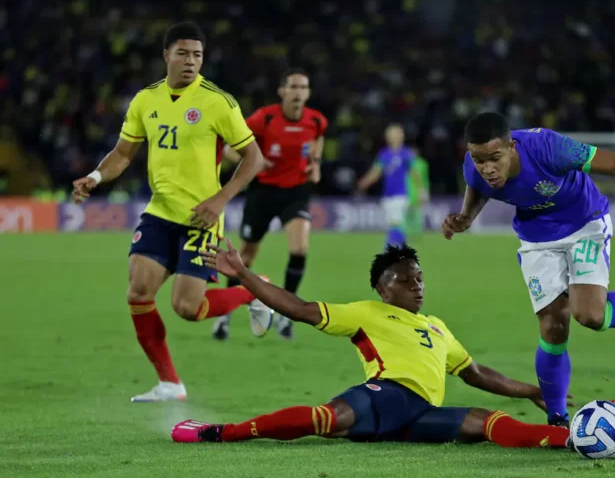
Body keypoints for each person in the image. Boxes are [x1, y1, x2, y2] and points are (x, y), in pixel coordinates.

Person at [442, 112, 615, 427]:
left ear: (512, 147)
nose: (487, 168)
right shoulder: (473, 167)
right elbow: (477, 189)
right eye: (479, 160)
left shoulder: (548, 148)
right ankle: (558, 421)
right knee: (552, 323)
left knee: (591, 316)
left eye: (494, 158)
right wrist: (466, 217)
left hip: (585, 222)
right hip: (536, 238)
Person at [171, 242, 573, 450]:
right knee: (328, 418)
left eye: (419, 278)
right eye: (405, 280)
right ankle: (223, 432)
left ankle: (569, 440)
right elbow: (300, 308)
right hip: (385, 395)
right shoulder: (365, 313)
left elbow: (476, 373)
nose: (416, 285)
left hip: (419, 416)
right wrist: (243, 275)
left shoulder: (437, 327)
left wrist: (533, 390)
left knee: (487, 422)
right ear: (383, 290)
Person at [71, 22, 265, 402]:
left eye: (197, 55)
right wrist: (95, 176)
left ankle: (254, 292)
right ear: (166, 56)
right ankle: (170, 384)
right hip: (160, 213)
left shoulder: (218, 102)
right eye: (183, 53)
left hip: (201, 218)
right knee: (138, 293)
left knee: (187, 308)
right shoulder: (146, 100)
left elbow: (254, 158)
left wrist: (221, 199)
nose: (190, 61)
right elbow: (124, 153)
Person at [212, 68, 328, 342]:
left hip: (296, 192)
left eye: (304, 87)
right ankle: (223, 315)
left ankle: (287, 315)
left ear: (308, 93)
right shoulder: (264, 118)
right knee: (246, 257)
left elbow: (318, 138)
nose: (299, 92)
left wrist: (315, 163)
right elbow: (230, 147)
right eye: (294, 87)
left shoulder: (316, 120)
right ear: (283, 91)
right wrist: (253, 161)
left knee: (299, 248)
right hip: (262, 192)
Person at [356, 124, 427, 248]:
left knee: (396, 224)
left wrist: (421, 190)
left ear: (401, 136)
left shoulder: (406, 154)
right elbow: (376, 172)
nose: (391, 136)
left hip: (401, 195)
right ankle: (400, 250)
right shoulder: (384, 154)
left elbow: (414, 173)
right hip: (387, 196)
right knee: (394, 225)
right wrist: (364, 182)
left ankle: (388, 250)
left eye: (394, 134)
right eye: (389, 134)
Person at [405, 148, 430, 240]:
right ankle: (410, 233)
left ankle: (417, 233)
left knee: (416, 214)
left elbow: (425, 178)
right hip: (409, 192)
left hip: (415, 192)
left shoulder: (421, 164)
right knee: (410, 215)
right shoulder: (408, 163)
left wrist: (425, 191)